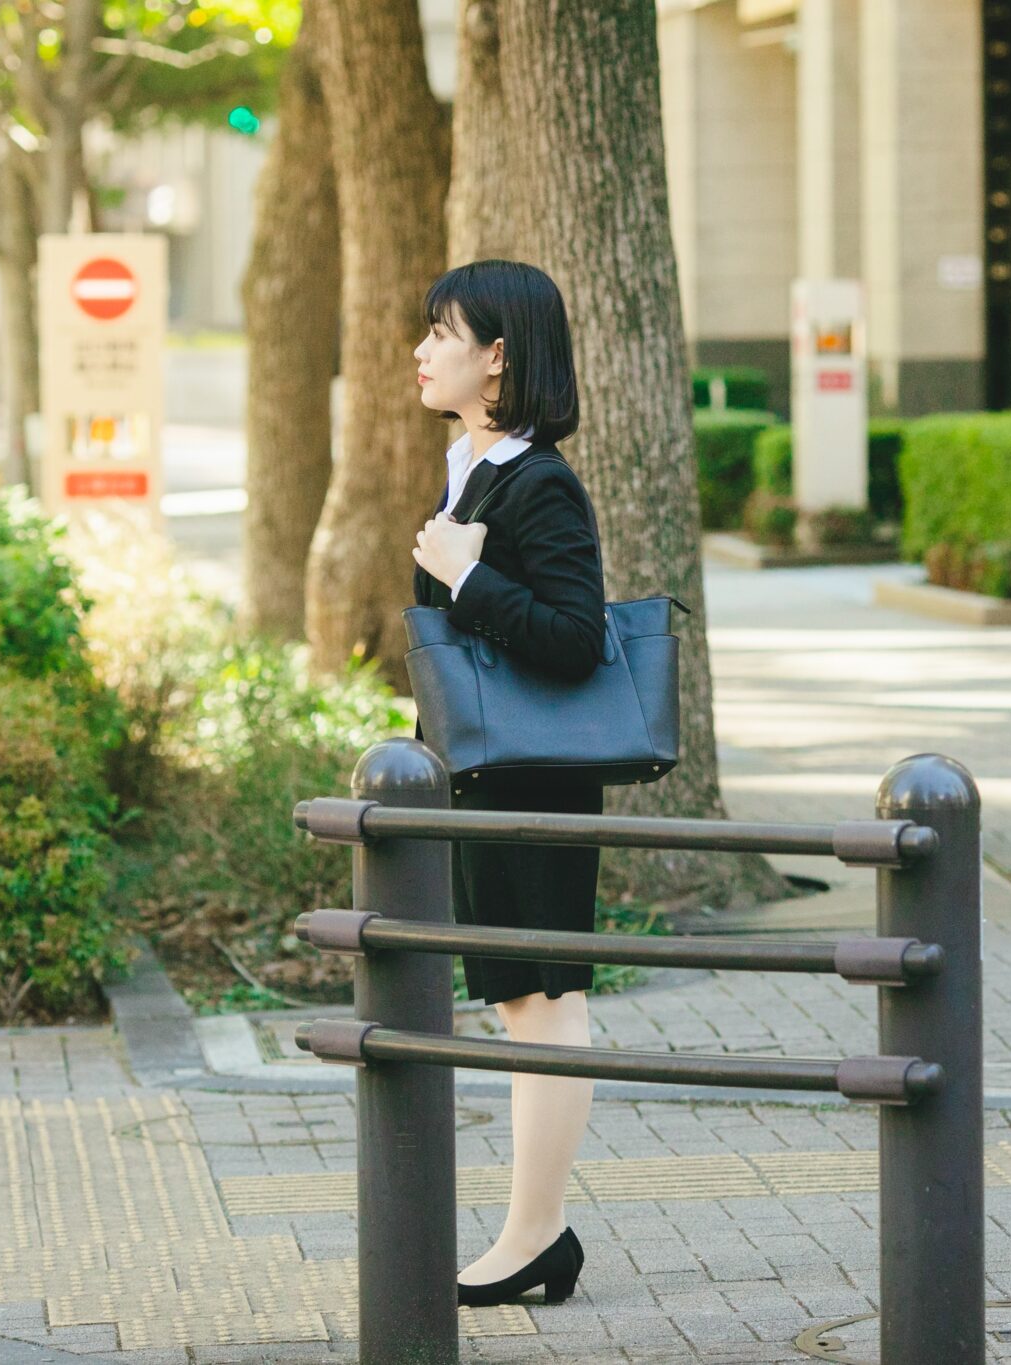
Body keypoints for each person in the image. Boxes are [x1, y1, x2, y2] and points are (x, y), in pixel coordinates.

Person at [408, 259, 602, 1306]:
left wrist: (468, 579)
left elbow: (574, 638)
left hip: (536, 779)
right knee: (518, 1002)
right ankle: (539, 1234)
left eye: (443, 332)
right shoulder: (470, 469)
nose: (421, 349)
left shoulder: (539, 480)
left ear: (498, 356)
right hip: (485, 777)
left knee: (543, 1001)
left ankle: (534, 1233)